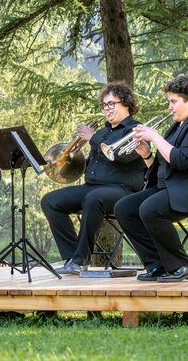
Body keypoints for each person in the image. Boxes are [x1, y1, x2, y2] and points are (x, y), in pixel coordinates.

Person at [113, 76, 188, 282]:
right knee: (124, 208)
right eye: (169, 102)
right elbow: (163, 167)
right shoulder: (177, 126)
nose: (169, 107)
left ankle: (181, 265)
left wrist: (155, 137)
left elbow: (182, 161)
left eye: (173, 102)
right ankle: (158, 265)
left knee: (150, 209)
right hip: (172, 188)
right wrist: (147, 154)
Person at [40, 83, 147, 275]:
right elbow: (95, 164)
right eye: (105, 105)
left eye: (112, 104)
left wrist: (93, 138)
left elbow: (120, 156)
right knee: (50, 201)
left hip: (123, 190)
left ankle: (81, 259)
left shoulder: (136, 130)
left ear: (127, 104)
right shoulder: (103, 132)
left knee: (94, 197)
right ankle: (73, 257)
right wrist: (70, 160)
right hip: (94, 187)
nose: (107, 109)